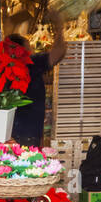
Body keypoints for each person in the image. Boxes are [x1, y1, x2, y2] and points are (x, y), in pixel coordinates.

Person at [8, 9, 66, 148]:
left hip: (12, 130)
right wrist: (59, 25)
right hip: (28, 131)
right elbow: (59, 52)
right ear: (22, 50)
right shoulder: (30, 63)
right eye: (29, 47)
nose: (32, 50)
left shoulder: (6, 66)